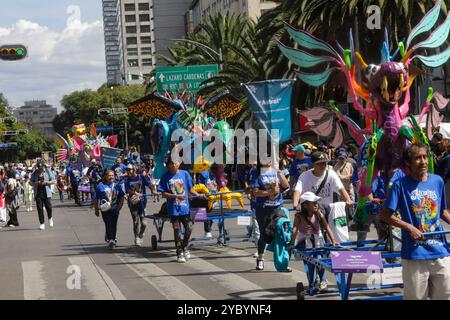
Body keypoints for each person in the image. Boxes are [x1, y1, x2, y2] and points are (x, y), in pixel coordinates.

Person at [381, 143, 450, 300]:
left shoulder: (437, 181)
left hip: (440, 251)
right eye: (417, 158)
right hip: (415, 254)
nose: (423, 161)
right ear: (408, 162)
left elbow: (442, 211)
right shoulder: (400, 185)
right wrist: (409, 227)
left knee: (445, 295)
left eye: (425, 157)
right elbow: (385, 215)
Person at [289, 192, 339, 291]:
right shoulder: (299, 216)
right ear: (305, 205)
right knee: (310, 262)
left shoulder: (319, 213)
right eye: (313, 202)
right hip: (304, 241)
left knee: (320, 260)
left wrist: (333, 240)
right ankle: (313, 283)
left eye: (316, 202)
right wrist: (291, 244)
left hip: (318, 240)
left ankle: (323, 282)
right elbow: (294, 229)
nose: (316, 204)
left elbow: (326, 226)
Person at [158, 157, 204, 263]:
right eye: (171, 163)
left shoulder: (185, 174)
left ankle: (184, 247)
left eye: (176, 163)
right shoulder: (165, 177)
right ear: (168, 165)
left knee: (189, 228)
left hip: (185, 209)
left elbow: (190, 189)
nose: (174, 165)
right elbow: (163, 194)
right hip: (174, 210)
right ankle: (179, 253)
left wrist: (199, 195)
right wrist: (176, 196)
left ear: (179, 163)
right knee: (177, 231)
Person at [251, 159, 289, 270]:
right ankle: (260, 258)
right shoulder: (255, 172)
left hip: (277, 207)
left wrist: (280, 174)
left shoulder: (276, 170)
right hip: (263, 208)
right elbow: (255, 192)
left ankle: (282, 261)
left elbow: (286, 186)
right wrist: (271, 192)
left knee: (281, 233)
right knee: (265, 234)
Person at [94, 169, 125, 249]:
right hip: (105, 209)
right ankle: (111, 239)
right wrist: (96, 209)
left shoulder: (117, 186)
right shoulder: (100, 186)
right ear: (105, 176)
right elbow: (95, 198)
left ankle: (112, 239)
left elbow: (122, 196)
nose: (111, 177)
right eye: (109, 175)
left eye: (112, 175)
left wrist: (119, 207)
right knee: (108, 223)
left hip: (115, 208)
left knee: (114, 224)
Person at [124, 163, 151, 247]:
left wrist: (153, 190)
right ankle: (136, 238)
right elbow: (128, 190)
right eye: (127, 170)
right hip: (133, 203)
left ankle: (140, 234)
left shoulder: (141, 177)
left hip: (142, 203)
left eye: (130, 169)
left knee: (144, 223)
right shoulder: (127, 181)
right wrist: (135, 193)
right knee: (135, 221)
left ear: (134, 169)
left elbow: (148, 184)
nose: (128, 171)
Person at [30, 162, 56, 230]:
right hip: (38, 193)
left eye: (41, 168)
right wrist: (37, 183)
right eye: (39, 168)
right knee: (40, 209)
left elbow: (54, 180)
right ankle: (42, 223)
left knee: (49, 207)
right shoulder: (34, 173)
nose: (40, 170)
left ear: (43, 167)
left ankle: (50, 218)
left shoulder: (47, 171)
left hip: (46, 192)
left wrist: (46, 182)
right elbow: (30, 182)